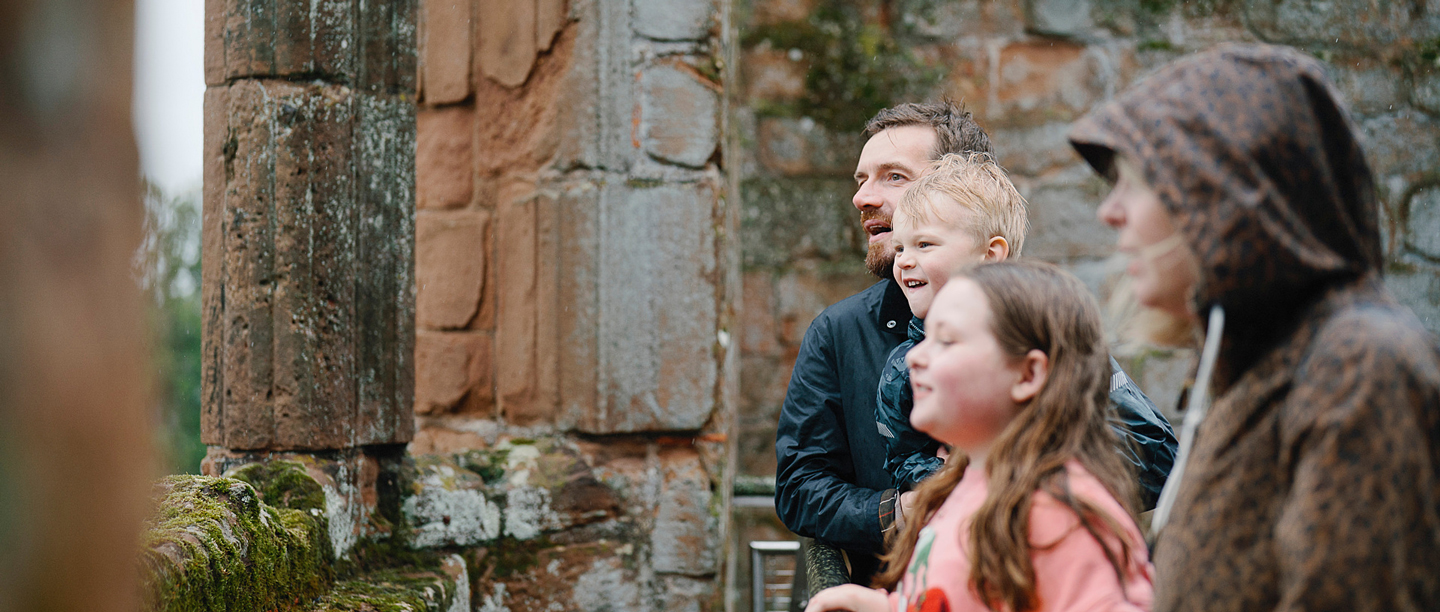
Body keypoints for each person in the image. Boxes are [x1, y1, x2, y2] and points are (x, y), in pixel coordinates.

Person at [1068, 43, 1440, 611]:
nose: (1109, 212)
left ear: (1226, 196)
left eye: (1134, 182)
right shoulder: (1255, 367)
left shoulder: (1360, 366)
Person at [774, 101, 1175, 585]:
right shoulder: (838, 332)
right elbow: (799, 487)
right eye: (860, 179)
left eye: (894, 177)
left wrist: (1016, 486)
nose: (862, 197)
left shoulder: (1039, 321)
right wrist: (908, 509)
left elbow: (1154, 462)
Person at [805, 262, 1156, 612]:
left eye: (945, 340)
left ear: (1028, 373)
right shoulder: (962, 485)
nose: (914, 358)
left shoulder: (1063, 515)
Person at [876, 154, 1175, 509]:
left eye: (924, 244)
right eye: (899, 248)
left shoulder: (1056, 338)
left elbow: (1156, 458)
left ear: (990, 254)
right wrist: (947, 479)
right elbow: (904, 460)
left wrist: (1019, 475)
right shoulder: (906, 368)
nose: (904, 260)